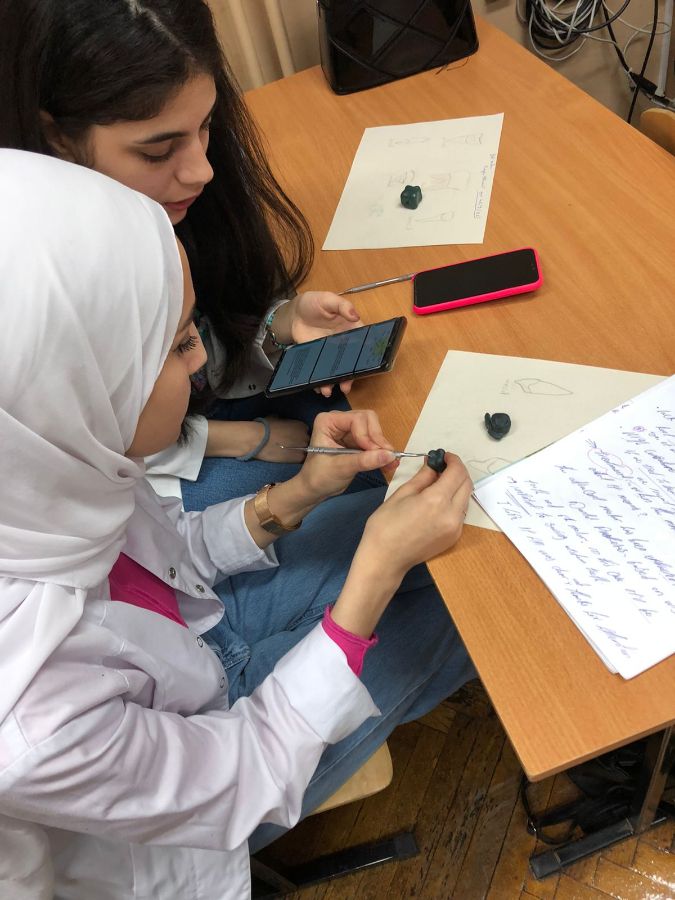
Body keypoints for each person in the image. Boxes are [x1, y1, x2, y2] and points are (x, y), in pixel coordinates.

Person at [0, 151, 475, 899]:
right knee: (474, 606)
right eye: (176, 345)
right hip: (212, 803)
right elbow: (250, 770)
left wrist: (296, 494)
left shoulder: (43, 464)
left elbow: (166, 559)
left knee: (434, 538)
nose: (199, 365)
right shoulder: (30, 723)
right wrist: (373, 575)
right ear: (75, 383)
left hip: (199, 647)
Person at [0, 0, 383, 509]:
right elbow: (98, 451)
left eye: (206, 124)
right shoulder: (35, 268)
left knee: (375, 443)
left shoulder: (178, 194)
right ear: (57, 137)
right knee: (356, 504)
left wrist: (278, 325)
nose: (203, 170)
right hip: (148, 468)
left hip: (205, 413)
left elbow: (208, 345)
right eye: (158, 152)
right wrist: (249, 439)